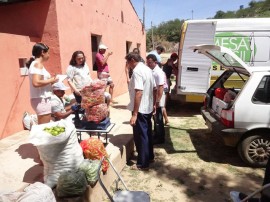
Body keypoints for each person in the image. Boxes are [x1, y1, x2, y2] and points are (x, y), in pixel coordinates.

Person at [125, 52, 156, 170]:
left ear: (132, 60)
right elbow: (154, 88)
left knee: (141, 135)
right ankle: (149, 157)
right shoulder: (147, 69)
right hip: (147, 107)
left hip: (140, 109)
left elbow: (138, 92)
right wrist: (153, 104)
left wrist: (135, 114)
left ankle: (142, 163)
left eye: (128, 62)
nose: (128, 65)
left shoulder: (137, 71)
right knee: (147, 134)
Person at [26, 42, 59, 124]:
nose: (49, 55)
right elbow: (36, 83)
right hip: (41, 99)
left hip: (41, 99)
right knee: (44, 128)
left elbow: (40, 82)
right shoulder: (38, 64)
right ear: (42, 52)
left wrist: (51, 82)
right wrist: (51, 80)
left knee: (43, 127)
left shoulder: (36, 64)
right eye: (48, 53)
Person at [146, 54, 166, 144]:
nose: (148, 64)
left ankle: (160, 138)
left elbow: (160, 87)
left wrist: (157, 100)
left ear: (155, 62)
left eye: (150, 62)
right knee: (155, 117)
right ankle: (157, 134)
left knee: (158, 118)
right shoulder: (152, 70)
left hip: (159, 96)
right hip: (154, 97)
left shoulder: (158, 72)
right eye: (147, 62)